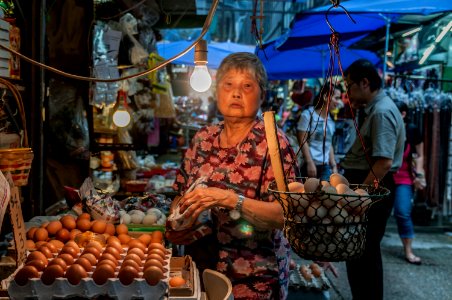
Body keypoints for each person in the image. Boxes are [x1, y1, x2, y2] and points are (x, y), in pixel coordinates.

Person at [166, 52, 297, 300]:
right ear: (217, 92)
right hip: (200, 271)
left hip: (254, 278)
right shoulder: (202, 139)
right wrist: (178, 221)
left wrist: (230, 199)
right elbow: (180, 194)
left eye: (247, 86)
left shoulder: (274, 144)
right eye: (228, 84)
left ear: (263, 94)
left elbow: (287, 215)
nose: (236, 93)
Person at [339, 59, 405, 300]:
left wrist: (360, 195)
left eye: (349, 85)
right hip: (367, 187)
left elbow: (384, 162)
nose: (347, 91)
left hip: (373, 188)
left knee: (364, 253)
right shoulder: (373, 109)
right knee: (358, 251)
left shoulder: (382, 112)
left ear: (364, 83)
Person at [393, 101, 426, 265]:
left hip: (404, 177)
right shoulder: (387, 129)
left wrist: (419, 175)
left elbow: (420, 155)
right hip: (384, 177)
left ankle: (408, 250)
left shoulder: (412, 130)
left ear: (403, 114)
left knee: (402, 212)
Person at [296, 86, 342, 180]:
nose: (338, 102)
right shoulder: (307, 115)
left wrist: (333, 165)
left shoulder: (331, 119)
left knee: (325, 193)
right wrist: (310, 163)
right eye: (336, 98)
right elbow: (302, 140)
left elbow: (329, 144)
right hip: (308, 164)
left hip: (325, 167)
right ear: (325, 97)